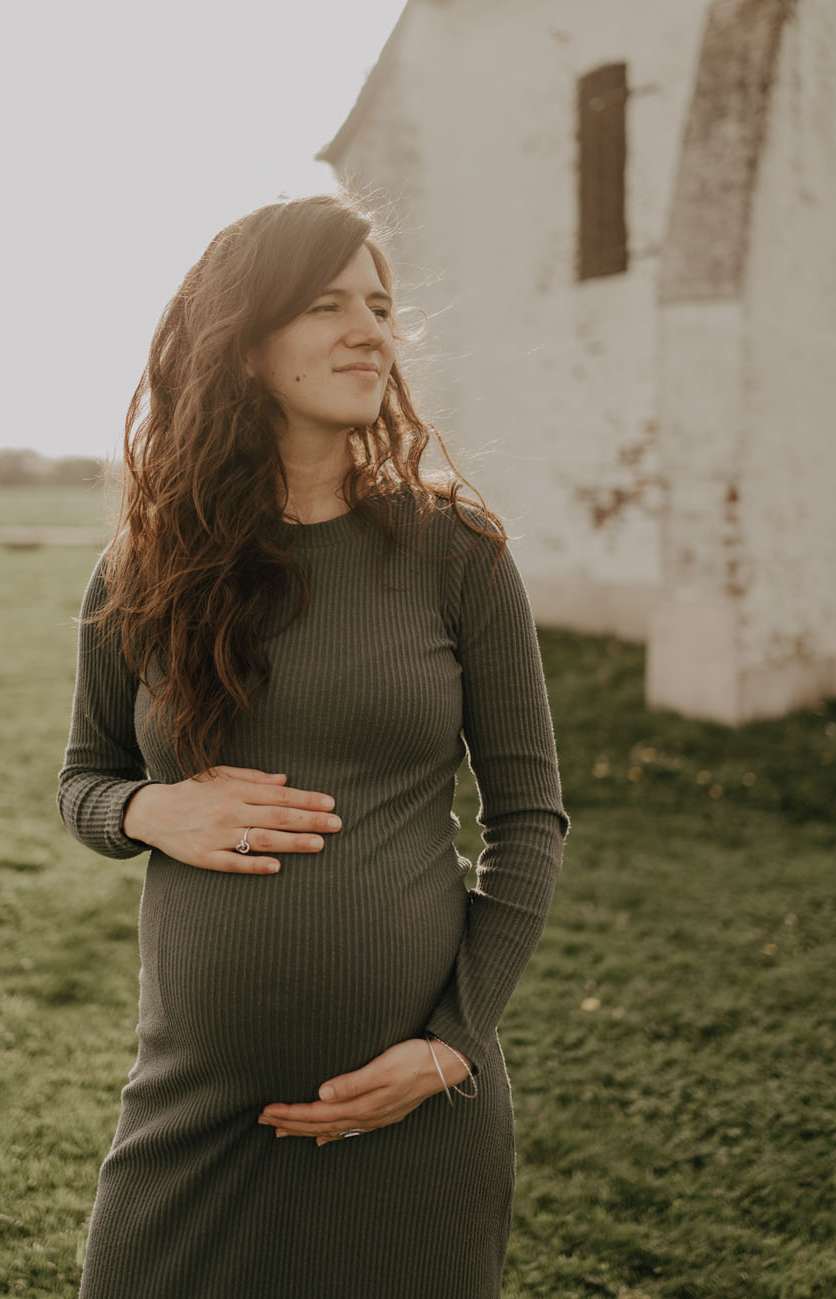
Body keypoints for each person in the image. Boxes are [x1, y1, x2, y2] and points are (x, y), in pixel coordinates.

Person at [57, 191, 570, 1299]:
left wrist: (452, 1043)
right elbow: (85, 779)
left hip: (415, 1112)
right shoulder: (145, 567)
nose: (370, 330)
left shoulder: (453, 552)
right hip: (195, 1112)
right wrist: (147, 808)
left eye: (380, 305)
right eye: (327, 302)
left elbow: (528, 817)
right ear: (243, 341)